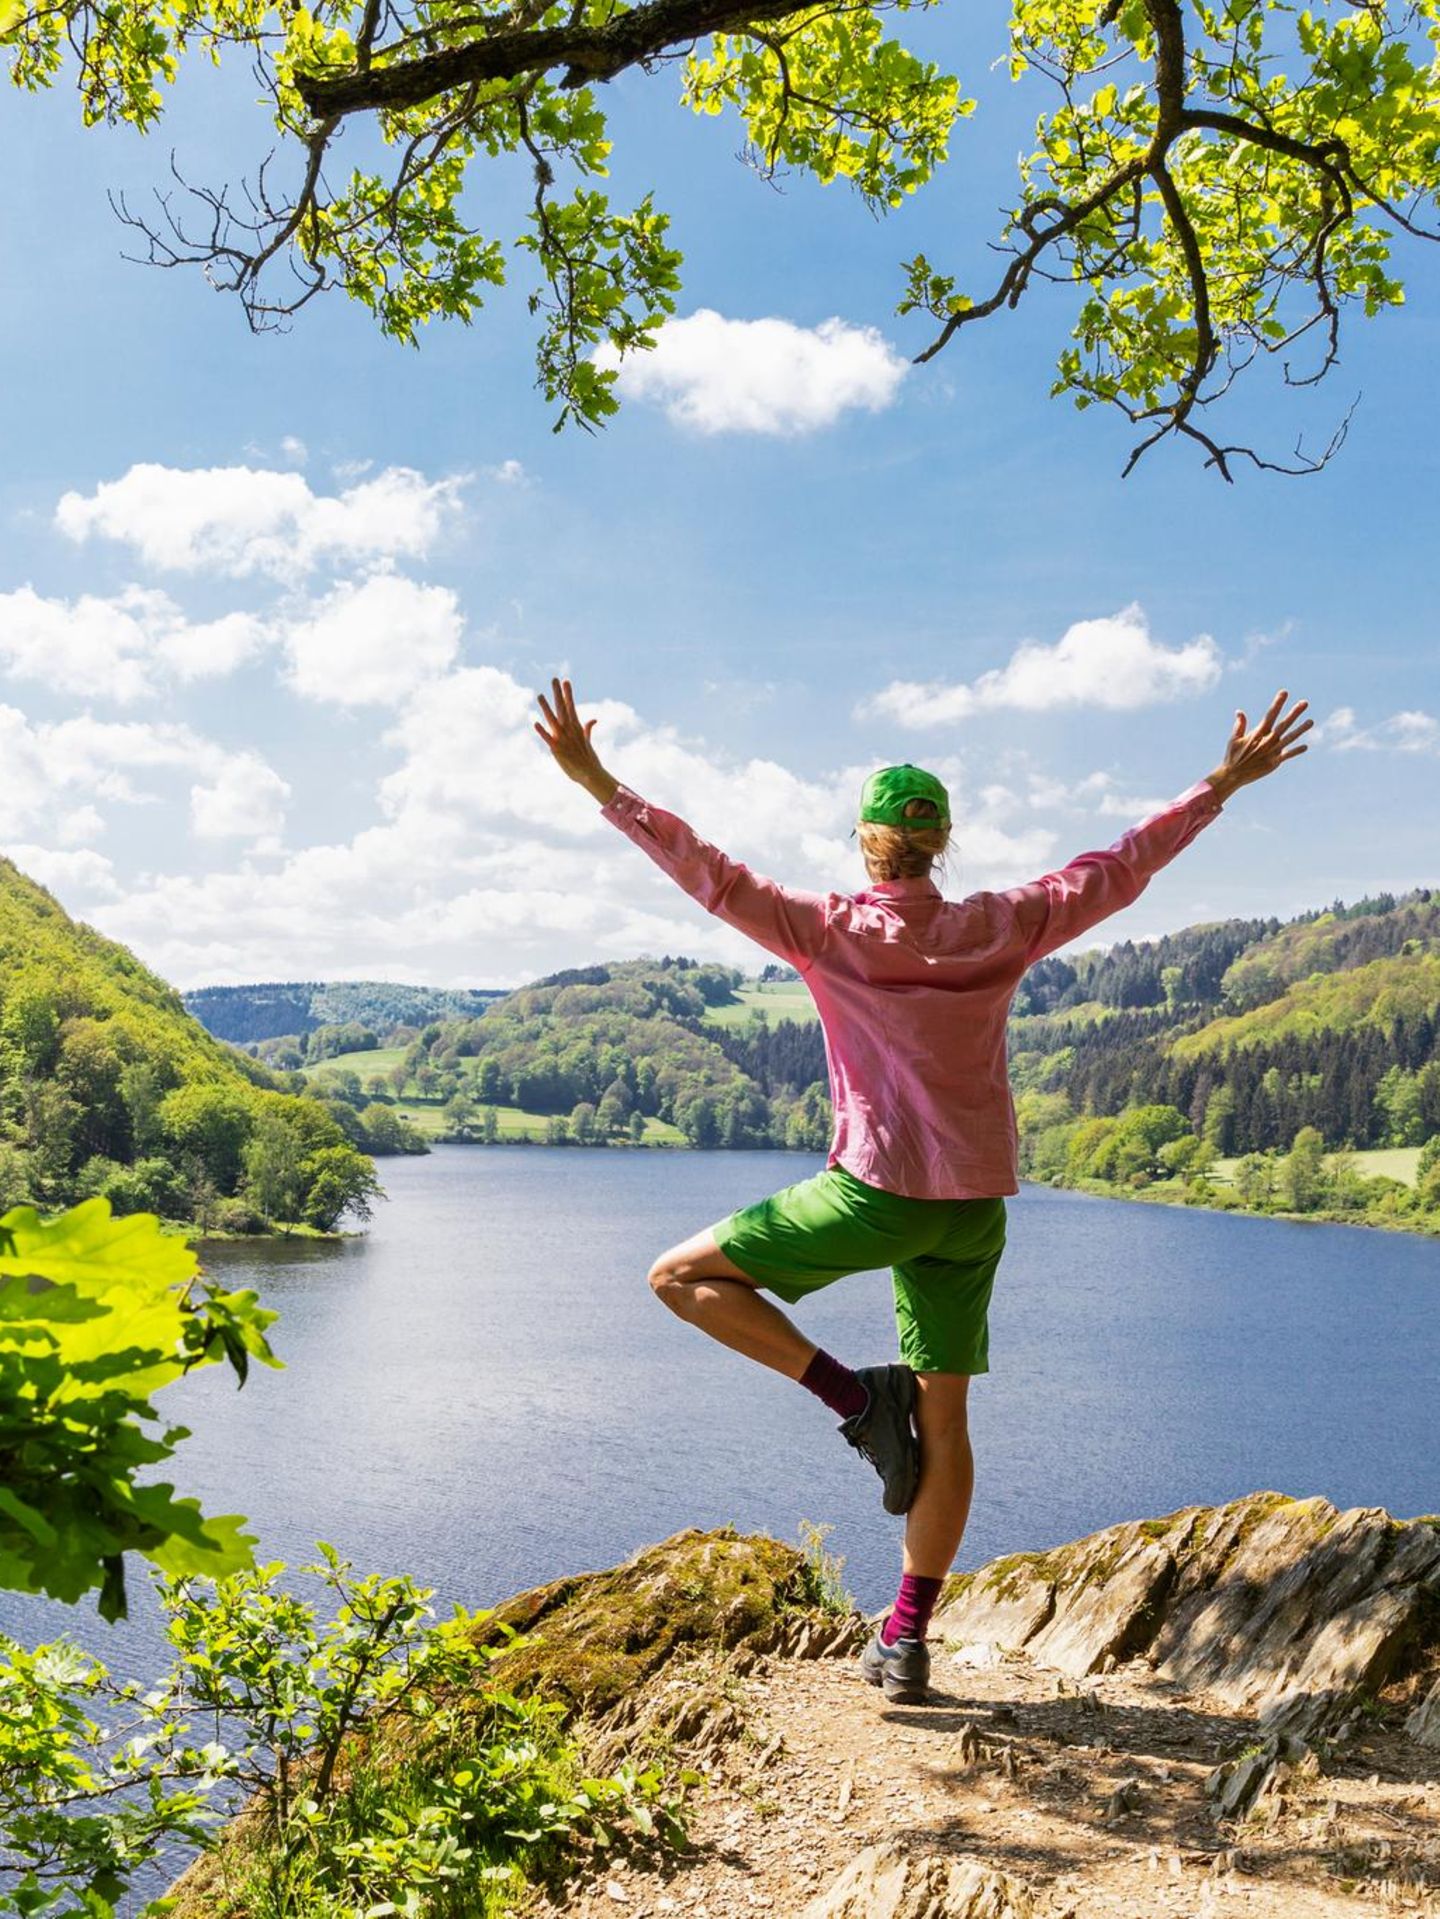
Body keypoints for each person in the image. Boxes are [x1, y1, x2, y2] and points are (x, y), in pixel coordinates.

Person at [533, 679, 1311, 1703]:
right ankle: (905, 1641)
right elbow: (1121, 867)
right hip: (973, 1212)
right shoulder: (1006, 922)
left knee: (678, 1276)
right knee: (946, 1427)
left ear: (867, 845)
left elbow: (709, 874)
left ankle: (855, 1397)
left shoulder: (827, 928)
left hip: (875, 1194)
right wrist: (1220, 784)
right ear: (940, 842)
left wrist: (600, 783)